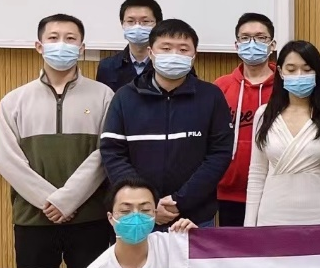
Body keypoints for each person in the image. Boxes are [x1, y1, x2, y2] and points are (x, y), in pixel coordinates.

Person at [0, 14, 114, 268]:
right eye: (53, 37)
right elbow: (6, 159)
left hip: (89, 218)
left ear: (82, 48)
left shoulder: (104, 96)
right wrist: (51, 200)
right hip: (33, 219)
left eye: (70, 38)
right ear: (39, 46)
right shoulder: (14, 101)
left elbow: (105, 154)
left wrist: (67, 200)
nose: (62, 44)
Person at [100, 19, 233, 229]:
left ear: (194, 55)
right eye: (166, 48)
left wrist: (181, 200)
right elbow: (113, 153)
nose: (174, 55)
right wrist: (147, 203)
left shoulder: (211, 96)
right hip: (138, 216)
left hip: (196, 216)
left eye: (183, 49)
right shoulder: (125, 97)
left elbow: (219, 154)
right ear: (151, 52)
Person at [245, 41, 320, 226]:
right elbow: (257, 173)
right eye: (291, 70)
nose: (299, 75)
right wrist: (249, 224)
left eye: (307, 70)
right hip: (273, 214)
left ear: (317, 73)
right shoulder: (264, 115)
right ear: (281, 72)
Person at [214, 13, 277, 226]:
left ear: (272, 45)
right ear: (236, 45)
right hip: (229, 192)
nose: (252, 43)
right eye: (245, 38)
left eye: (260, 37)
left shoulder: (285, 87)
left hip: (274, 190)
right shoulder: (221, 87)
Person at [97, 0, 163, 92]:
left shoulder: (167, 64)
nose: (137, 27)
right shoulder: (107, 66)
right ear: (122, 24)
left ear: (158, 24)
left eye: (145, 21)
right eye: (130, 21)